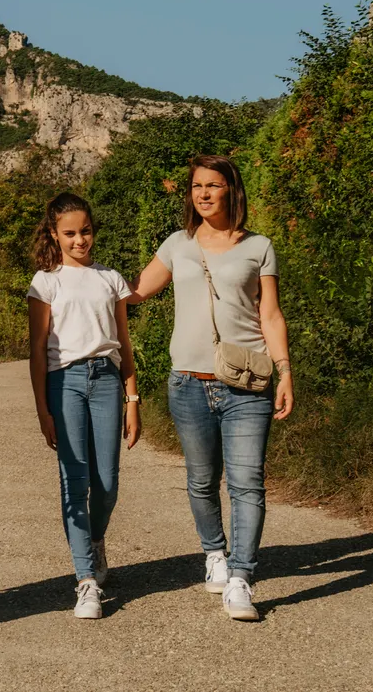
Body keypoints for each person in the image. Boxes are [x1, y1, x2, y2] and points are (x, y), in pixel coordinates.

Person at [130, 155, 294, 622]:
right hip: (187, 383)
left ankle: (242, 577)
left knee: (247, 483)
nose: (203, 193)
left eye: (213, 185)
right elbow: (137, 292)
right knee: (202, 481)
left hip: (245, 384)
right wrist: (76, 278)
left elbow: (270, 314)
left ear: (231, 191)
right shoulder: (177, 244)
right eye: (197, 186)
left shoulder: (258, 247)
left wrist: (285, 371)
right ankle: (215, 555)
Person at [26, 192, 141, 619]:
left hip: (107, 379)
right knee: (75, 482)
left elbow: (124, 344)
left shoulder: (110, 278)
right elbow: (38, 350)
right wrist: (42, 410)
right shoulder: (45, 281)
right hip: (65, 382)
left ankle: (94, 541)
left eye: (86, 231)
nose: (80, 240)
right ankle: (86, 580)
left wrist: (132, 399)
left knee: (106, 482)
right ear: (54, 235)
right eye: (70, 233)